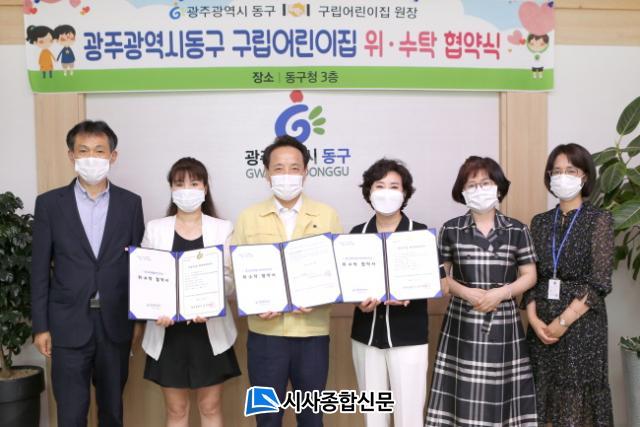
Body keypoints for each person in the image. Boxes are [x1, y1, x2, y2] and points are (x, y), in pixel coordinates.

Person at [31, 120, 145, 427]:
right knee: (70, 413)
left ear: (113, 156)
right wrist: (40, 326)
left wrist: (139, 319)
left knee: (112, 411)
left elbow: (138, 266)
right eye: (83, 151)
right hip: (67, 324)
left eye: (99, 150)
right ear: (71, 155)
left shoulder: (130, 203)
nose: (91, 158)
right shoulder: (49, 204)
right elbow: (39, 268)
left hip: (115, 322)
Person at [232, 134, 343, 427]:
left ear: (305, 171)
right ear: (266, 173)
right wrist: (253, 304)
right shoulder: (248, 217)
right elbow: (236, 273)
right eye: (278, 168)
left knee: (312, 418)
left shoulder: (327, 215)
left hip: (312, 334)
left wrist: (320, 296)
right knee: (267, 418)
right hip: (265, 336)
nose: (286, 175)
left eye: (294, 168)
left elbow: (339, 272)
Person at [426, 156, 538, 426]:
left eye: (485, 183)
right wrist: (466, 292)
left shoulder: (517, 229)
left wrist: (502, 293)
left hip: (504, 321)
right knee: (463, 393)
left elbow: (530, 275)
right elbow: (441, 277)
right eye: (471, 185)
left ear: (498, 186)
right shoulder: (451, 229)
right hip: (463, 321)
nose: (479, 189)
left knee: (503, 394)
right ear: (462, 191)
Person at [141, 157, 241, 427]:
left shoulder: (222, 228)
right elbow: (145, 280)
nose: (187, 189)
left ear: (205, 188)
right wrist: (154, 310)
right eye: (179, 183)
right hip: (168, 332)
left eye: (194, 183)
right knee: (176, 410)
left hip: (209, 331)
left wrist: (210, 302)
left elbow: (230, 281)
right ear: (171, 189)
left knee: (210, 407)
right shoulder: (155, 228)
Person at [522, 143, 614, 426]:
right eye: (556, 171)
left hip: (581, 326)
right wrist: (534, 320)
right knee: (541, 402)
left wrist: (563, 322)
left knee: (575, 408)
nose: (562, 176)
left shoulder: (599, 220)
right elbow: (530, 275)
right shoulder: (540, 222)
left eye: (570, 170)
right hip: (541, 327)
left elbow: (599, 281)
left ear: (584, 176)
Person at [350, 158, 435, 427]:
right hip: (366, 336)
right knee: (373, 415)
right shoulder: (356, 234)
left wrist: (413, 291)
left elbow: (439, 284)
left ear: (405, 193)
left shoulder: (420, 234)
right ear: (369, 191)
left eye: (394, 186)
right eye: (380, 186)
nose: (386, 192)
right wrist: (358, 301)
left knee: (409, 416)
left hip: (408, 335)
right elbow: (348, 283)